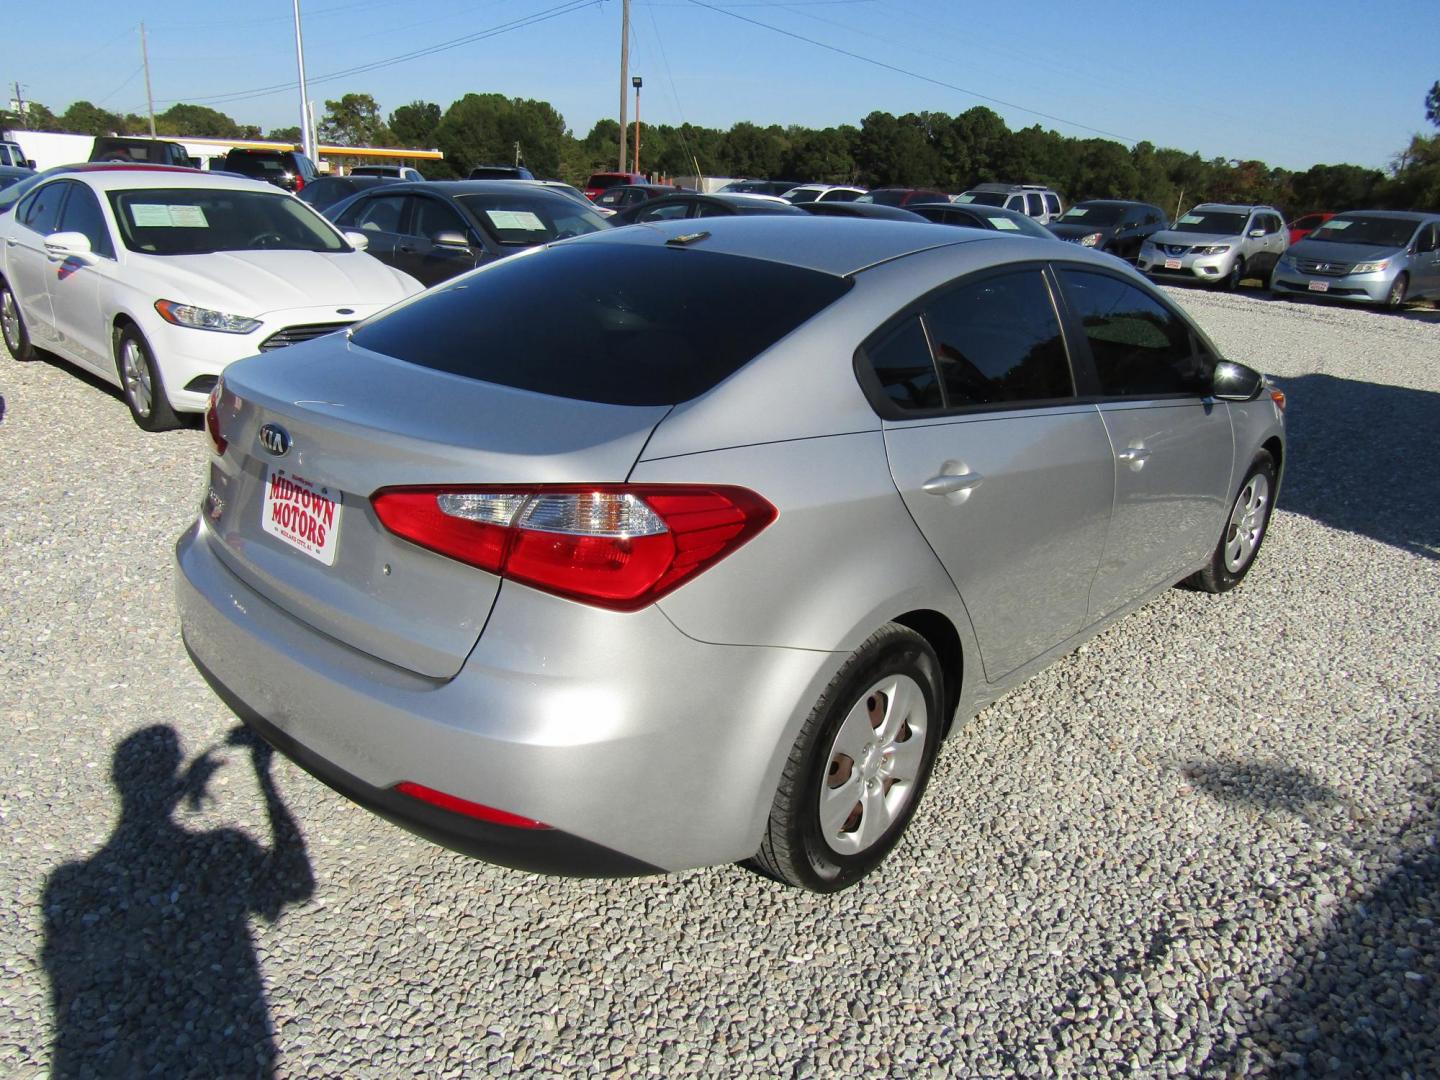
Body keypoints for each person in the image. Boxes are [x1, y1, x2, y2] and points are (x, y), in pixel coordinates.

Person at [41, 725, 313, 1078]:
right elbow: (297, 886)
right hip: (230, 1047)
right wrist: (263, 773)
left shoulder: (69, 884)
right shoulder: (225, 849)